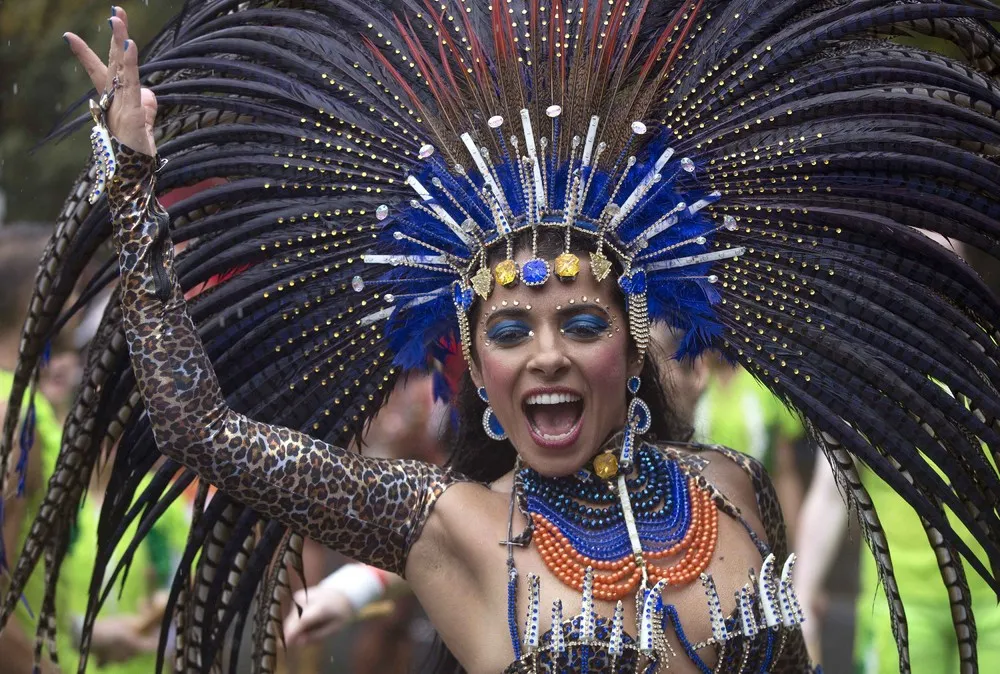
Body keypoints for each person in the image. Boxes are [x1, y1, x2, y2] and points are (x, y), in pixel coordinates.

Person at [3, 2, 1000, 674]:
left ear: (630, 341)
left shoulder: (730, 488)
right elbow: (198, 426)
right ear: (477, 368)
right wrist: (135, 182)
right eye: (511, 331)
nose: (547, 355)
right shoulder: (451, 525)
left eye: (578, 321)